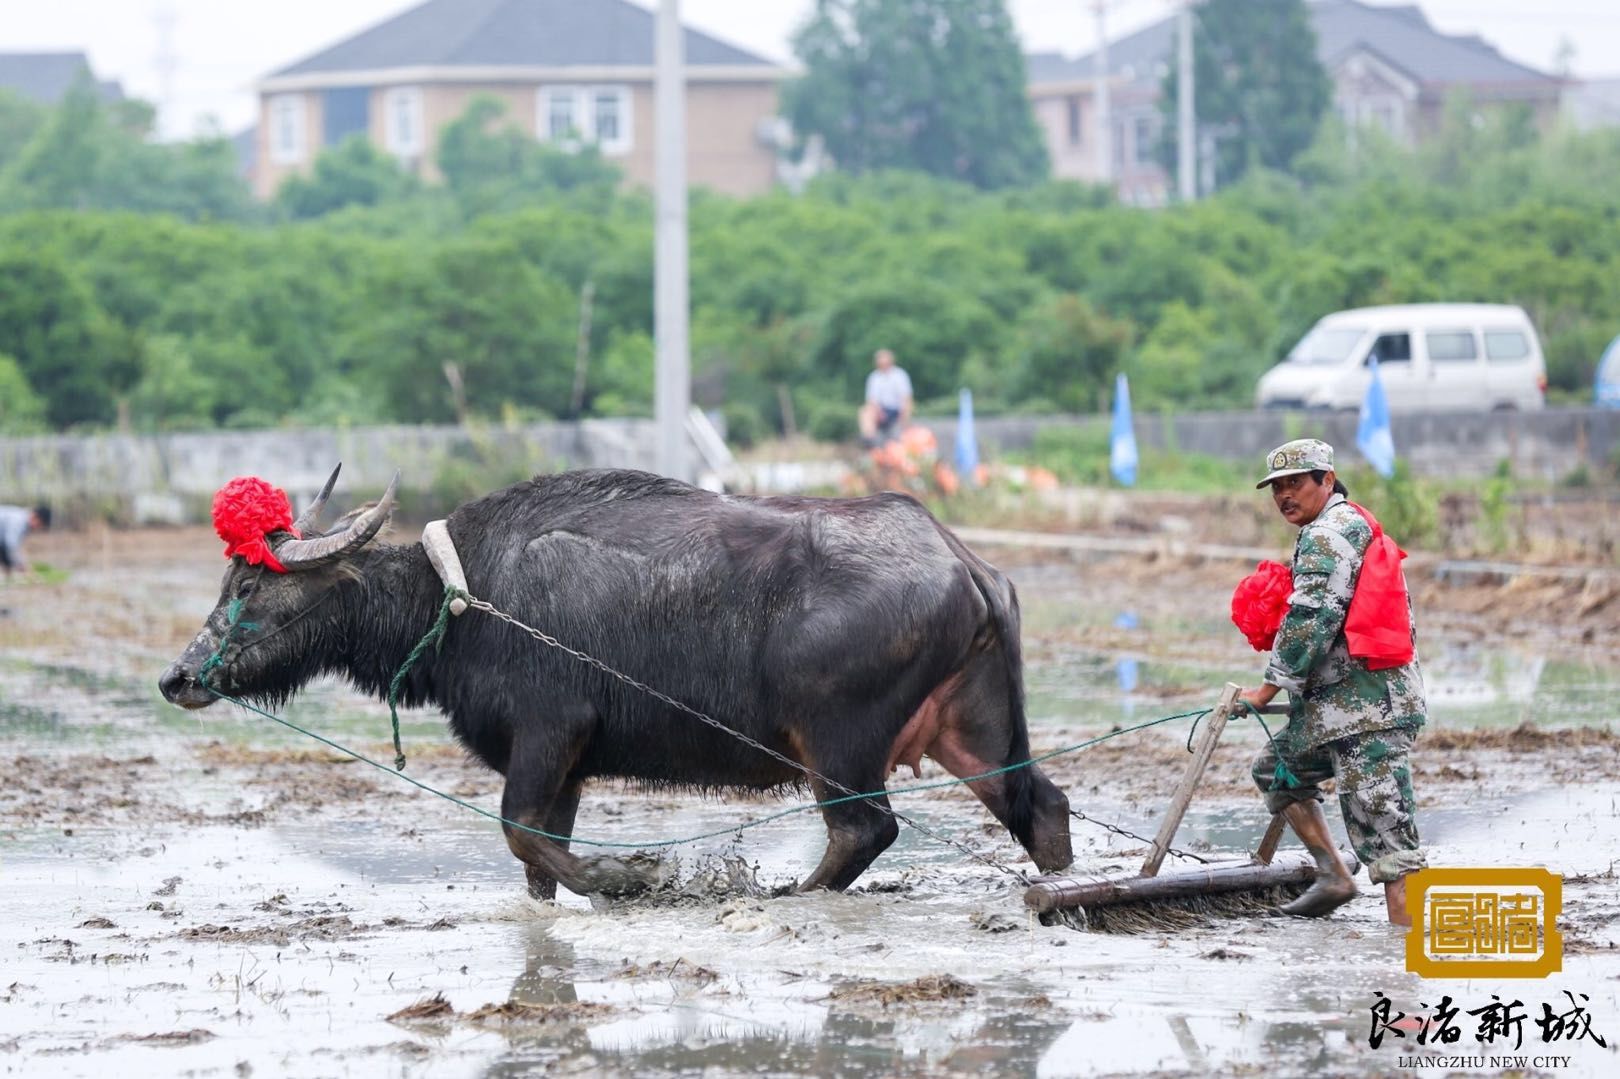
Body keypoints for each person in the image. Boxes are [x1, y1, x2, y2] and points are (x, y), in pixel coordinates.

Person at [1238, 439, 1426, 926]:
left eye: (1296, 483)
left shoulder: (1329, 533)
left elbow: (1310, 620)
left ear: (1327, 479)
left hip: (1369, 709)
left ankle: (1404, 960)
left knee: (1387, 837)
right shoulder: (1338, 525)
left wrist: (1266, 690)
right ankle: (1334, 876)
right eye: (1277, 487)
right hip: (1335, 707)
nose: (1284, 495)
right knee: (1279, 771)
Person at [858, 348, 913, 447]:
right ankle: (870, 440)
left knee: (906, 406)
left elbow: (906, 398)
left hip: (896, 409)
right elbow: (872, 400)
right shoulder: (874, 377)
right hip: (880, 410)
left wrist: (904, 416)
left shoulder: (900, 375)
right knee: (865, 412)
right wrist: (878, 412)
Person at [0, 503, 51, 581]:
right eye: (39, 524)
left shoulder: (24, 523)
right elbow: (10, 545)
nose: (38, 528)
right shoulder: (18, 521)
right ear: (34, 516)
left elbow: (8, 548)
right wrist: (23, 566)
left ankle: (8, 577)